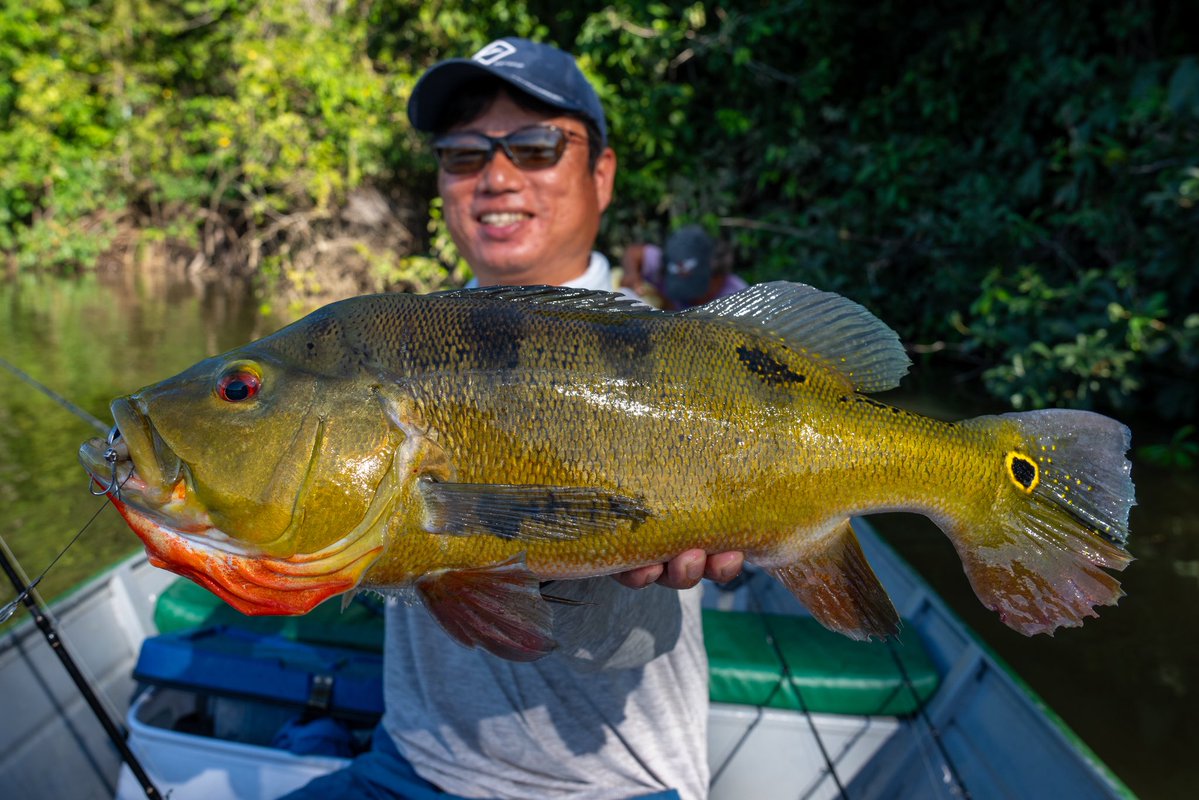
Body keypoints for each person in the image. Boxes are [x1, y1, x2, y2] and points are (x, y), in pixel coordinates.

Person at [281, 37, 743, 800]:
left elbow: (632, 643)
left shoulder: (674, 357)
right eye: (463, 155)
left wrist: (588, 576)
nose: (495, 178)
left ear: (601, 174)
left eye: (533, 147)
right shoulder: (397, 345)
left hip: (616, 786)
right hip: (408, 767)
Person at [620, 225, 747, 310]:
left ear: (718, 277)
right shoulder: (664, 264)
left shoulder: (741, 300)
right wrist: (631, 274)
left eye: (693, 288)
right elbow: (634, 253)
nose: (688, 298)